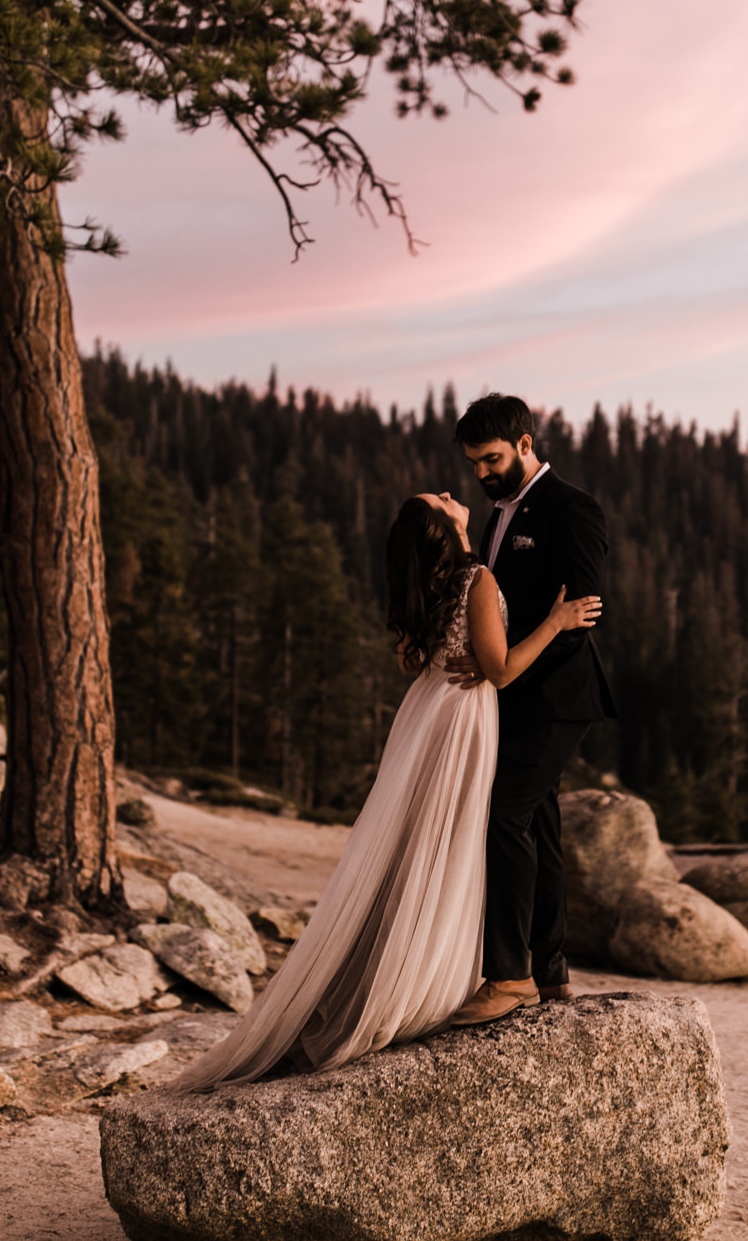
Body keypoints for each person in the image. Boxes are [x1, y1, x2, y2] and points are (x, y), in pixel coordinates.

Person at [169, 491, 601, 1091]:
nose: (454, 495)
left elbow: (410, 661)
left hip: (427, 708)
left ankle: (413, 966)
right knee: (450, 839)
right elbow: (499, 671)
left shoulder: (437, 582)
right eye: (442, 500)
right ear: (443, 527)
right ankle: (443, 976)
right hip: (462, 716)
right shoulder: (475, 578)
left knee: (416, 836)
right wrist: (555, 622)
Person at [445, 394, 618, 1027]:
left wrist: (507, 668)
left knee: (502, 816)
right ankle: (549, 974)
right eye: (474, 464)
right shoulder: (495, 517)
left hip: (555, 697)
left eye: (491, 459)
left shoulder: (572, 508)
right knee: (539, 827)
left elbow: (582, 615)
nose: (483, 474)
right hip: (508, 694)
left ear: (525, 442)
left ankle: (508, 976)